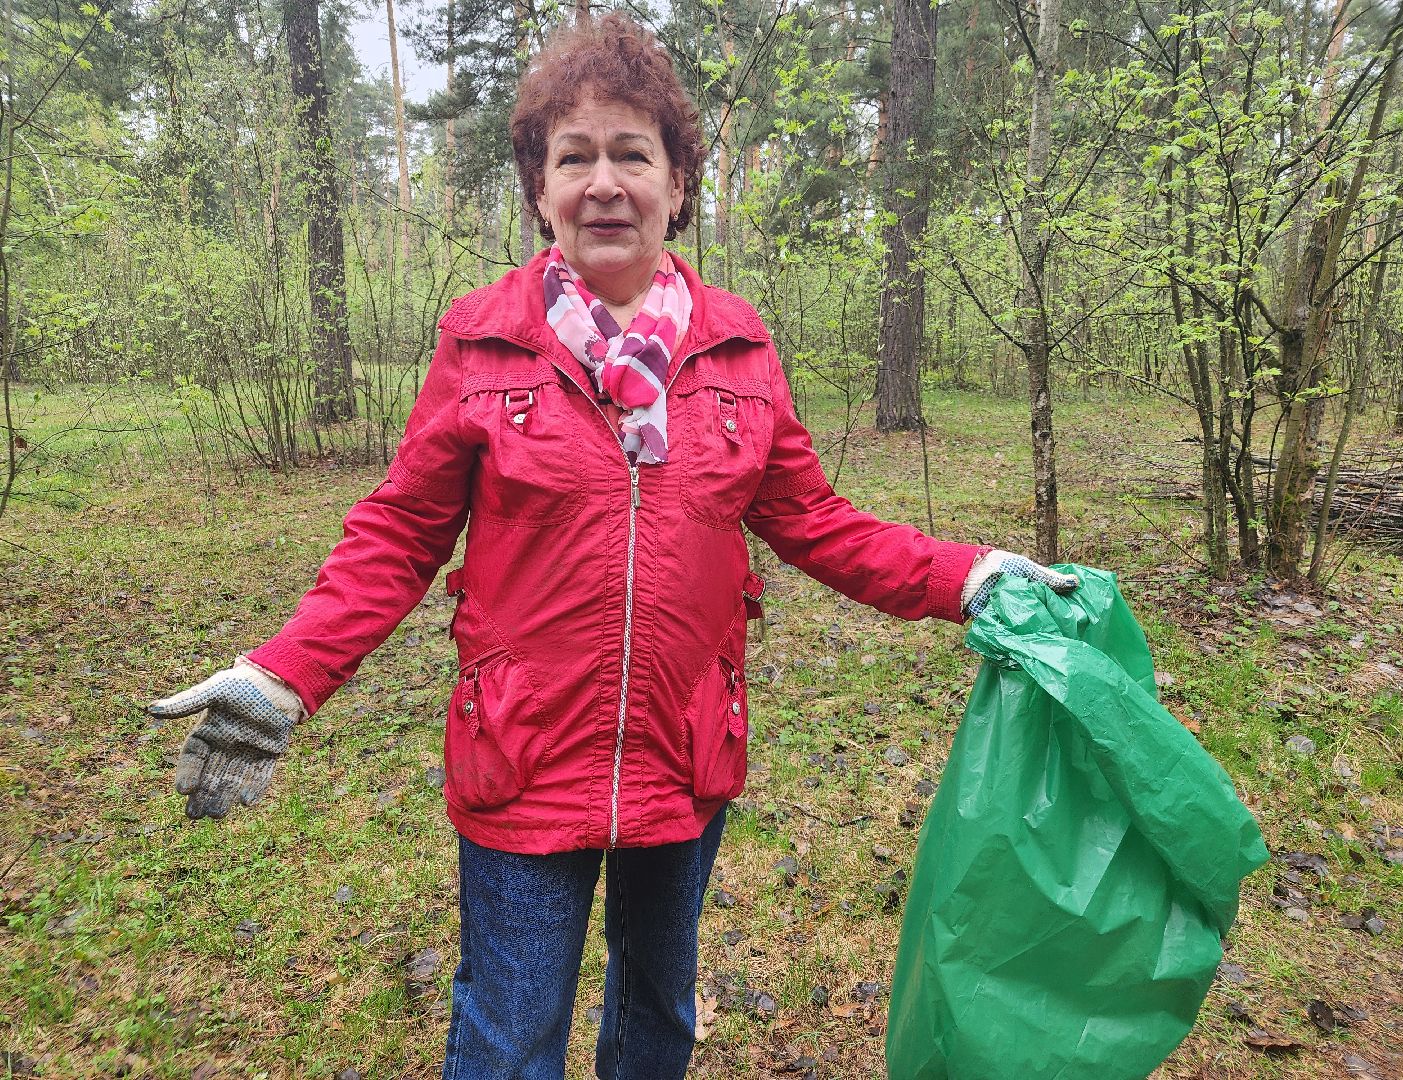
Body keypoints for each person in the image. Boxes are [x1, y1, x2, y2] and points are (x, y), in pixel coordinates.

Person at [148, 14, 1079, 1080]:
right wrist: (285, 673)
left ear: (678, 184)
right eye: (573, 157)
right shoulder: (481, 338)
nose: (604, 182)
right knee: (509, 1037)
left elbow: (817, 521)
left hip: (684, 760)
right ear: (539, 190)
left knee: (657, 1025)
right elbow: (402, 530)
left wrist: (969, 575)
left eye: (632, 154)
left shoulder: (738, 347)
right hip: (522, 759)